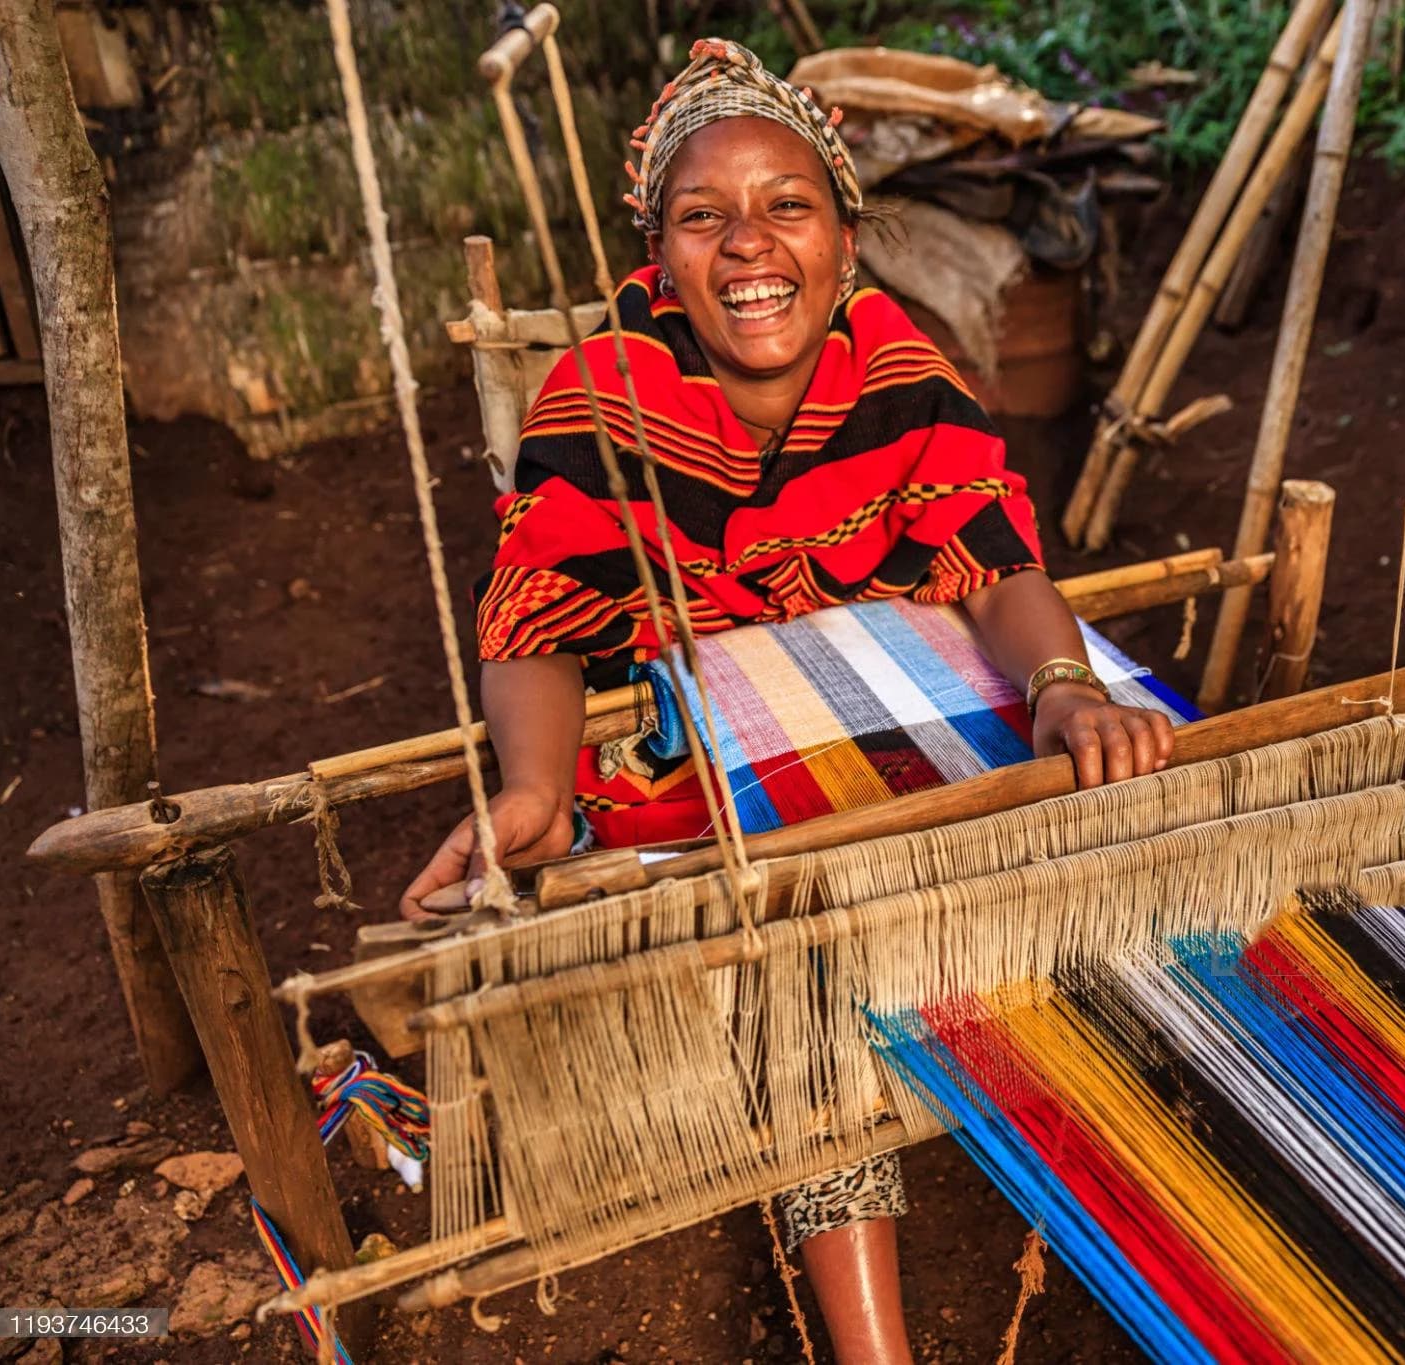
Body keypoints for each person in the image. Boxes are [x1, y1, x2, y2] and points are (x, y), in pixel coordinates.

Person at [399, 38, 1175, 1363]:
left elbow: (990, 554)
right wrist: (531, 790)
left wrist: (1058, 687)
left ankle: (1179, 1190)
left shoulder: (901, 366)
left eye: (788, 206)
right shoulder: (604, 392)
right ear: (658, 254)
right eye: (705, 216)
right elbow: (539, 609)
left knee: (1111, 843)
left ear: (845, 234)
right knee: (807, 977)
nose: (750, 246)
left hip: (894, 735)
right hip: (703, 783)